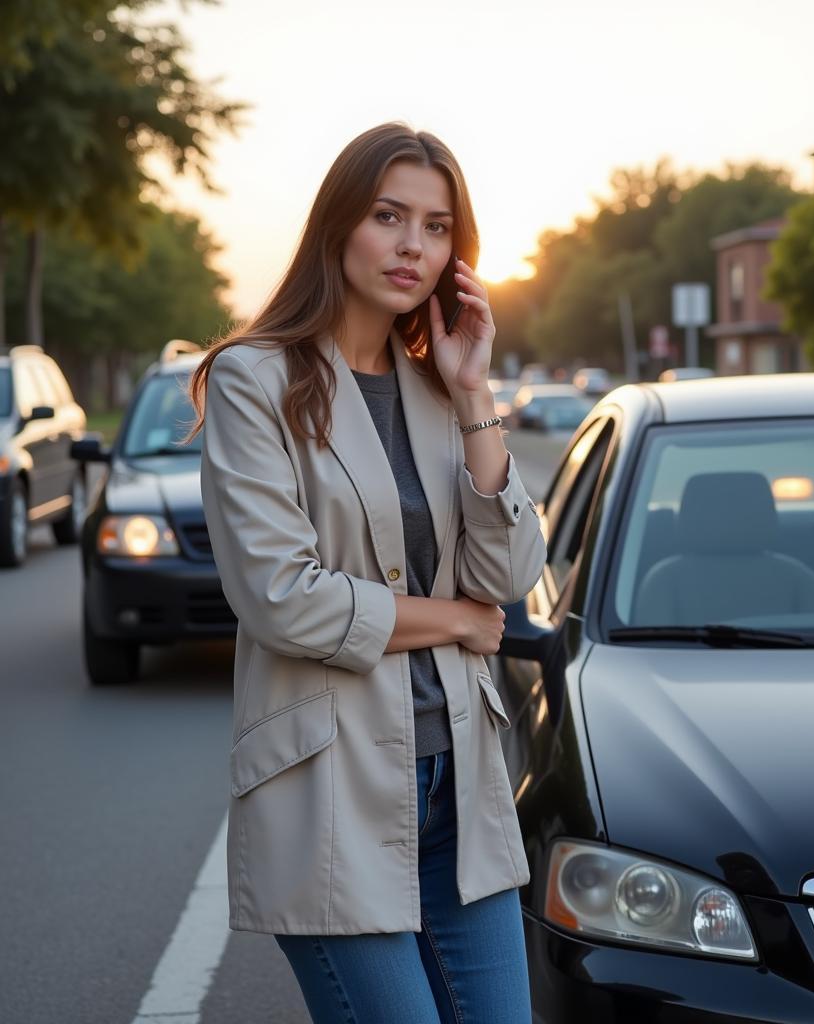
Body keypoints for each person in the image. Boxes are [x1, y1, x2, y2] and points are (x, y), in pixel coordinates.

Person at [184, 122, 546, 1024]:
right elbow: (284, 599)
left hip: (460, 786)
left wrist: (474, 395)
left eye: (435, 227)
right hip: (332, 790)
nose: (412, 246)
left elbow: (507, 568)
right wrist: (455, 623)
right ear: (340, 225)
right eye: (390, 217)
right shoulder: (252, 380)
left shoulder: (440, 392)